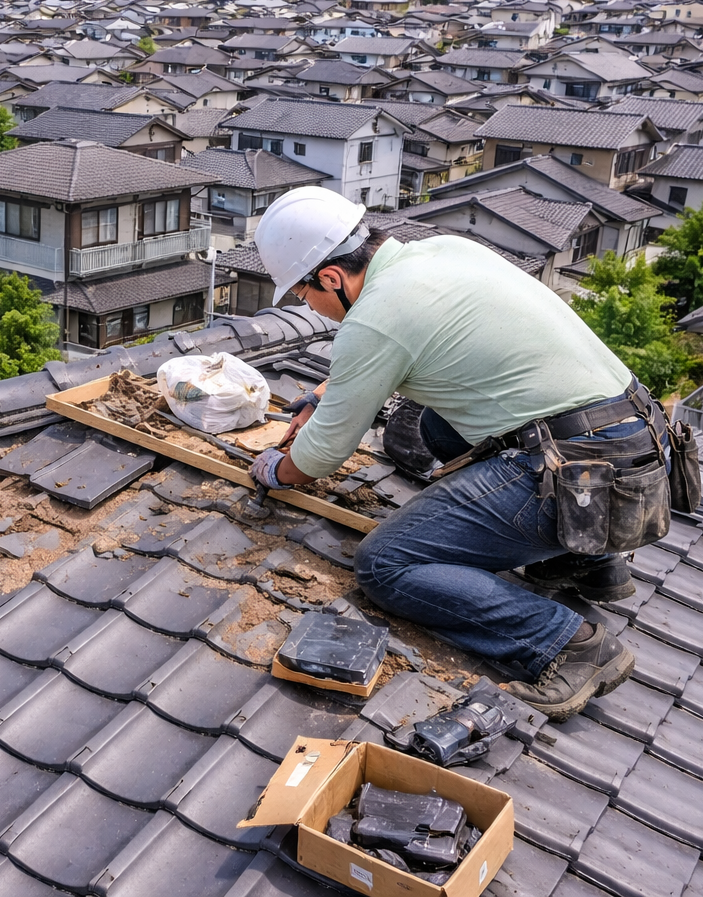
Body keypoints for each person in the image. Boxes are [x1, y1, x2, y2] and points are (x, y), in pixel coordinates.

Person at [247, 187, 671, 721]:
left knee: (385, 565)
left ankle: (572, 645)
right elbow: (387, 351)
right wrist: (322, 395)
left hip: (575, 474)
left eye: (305, 295)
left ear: (331, 278)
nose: (311, 308)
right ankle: (589, 561)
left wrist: (275, 469)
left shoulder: (375, 316)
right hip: (640, 447)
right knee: (435, 425)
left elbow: (323, 454)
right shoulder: (444, 252)